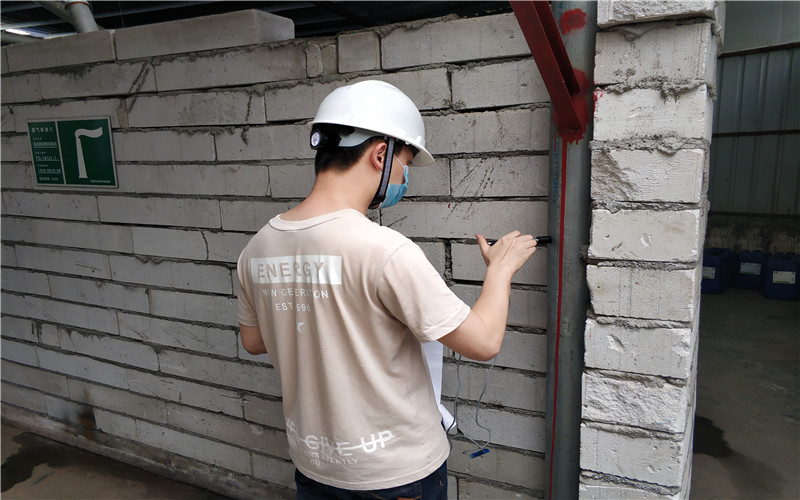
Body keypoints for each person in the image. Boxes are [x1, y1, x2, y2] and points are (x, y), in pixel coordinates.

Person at [237, 80, 538, 499]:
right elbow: (484, 342)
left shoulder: (257, 248)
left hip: (314, 466)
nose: (404, 176)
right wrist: (501, 270)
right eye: (405, 163)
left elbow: (254, 342)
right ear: (380, 154)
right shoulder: (385, 250)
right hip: (396, 474)